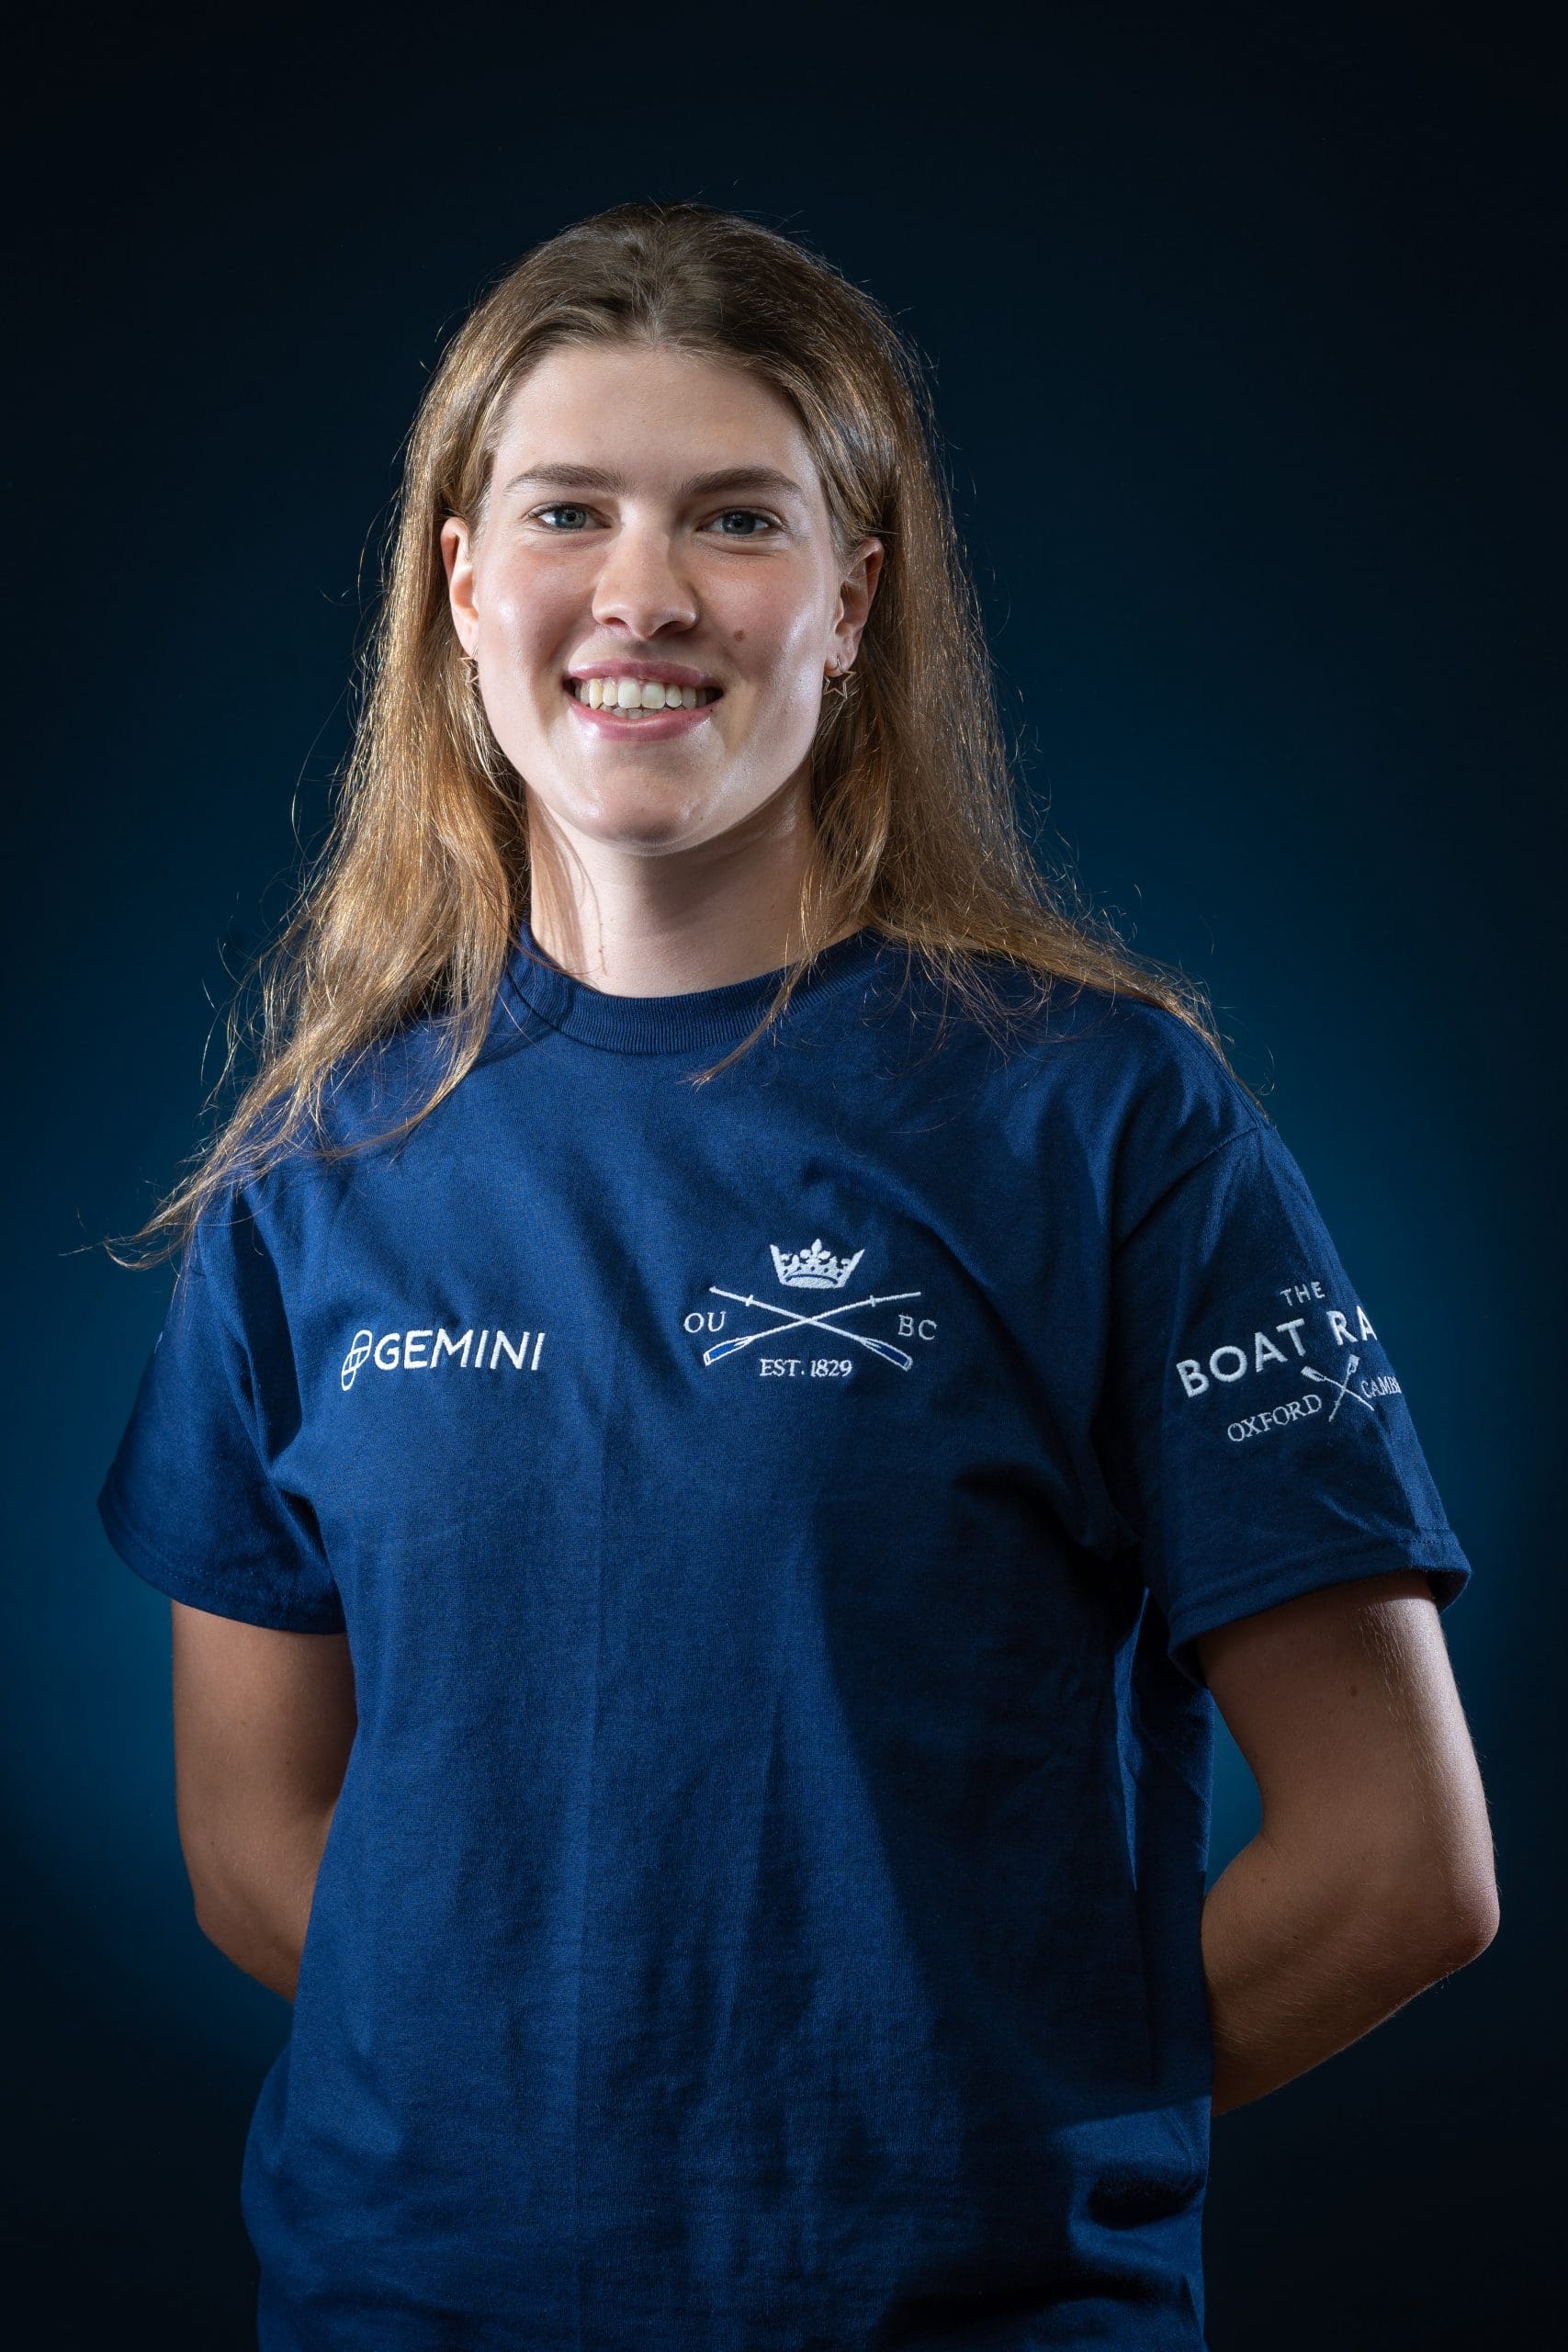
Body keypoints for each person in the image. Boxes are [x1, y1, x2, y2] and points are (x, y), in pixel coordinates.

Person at [96, 199, 1498, 2352]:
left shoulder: (1103, 1120)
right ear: (460, 586)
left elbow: (1396, 1861)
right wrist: (571, 2133)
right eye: (568, 510)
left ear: (848, 602)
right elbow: (252, 1839)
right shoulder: (312, 1175)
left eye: (734, 518)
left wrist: (935, 2136)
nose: (642, 592)